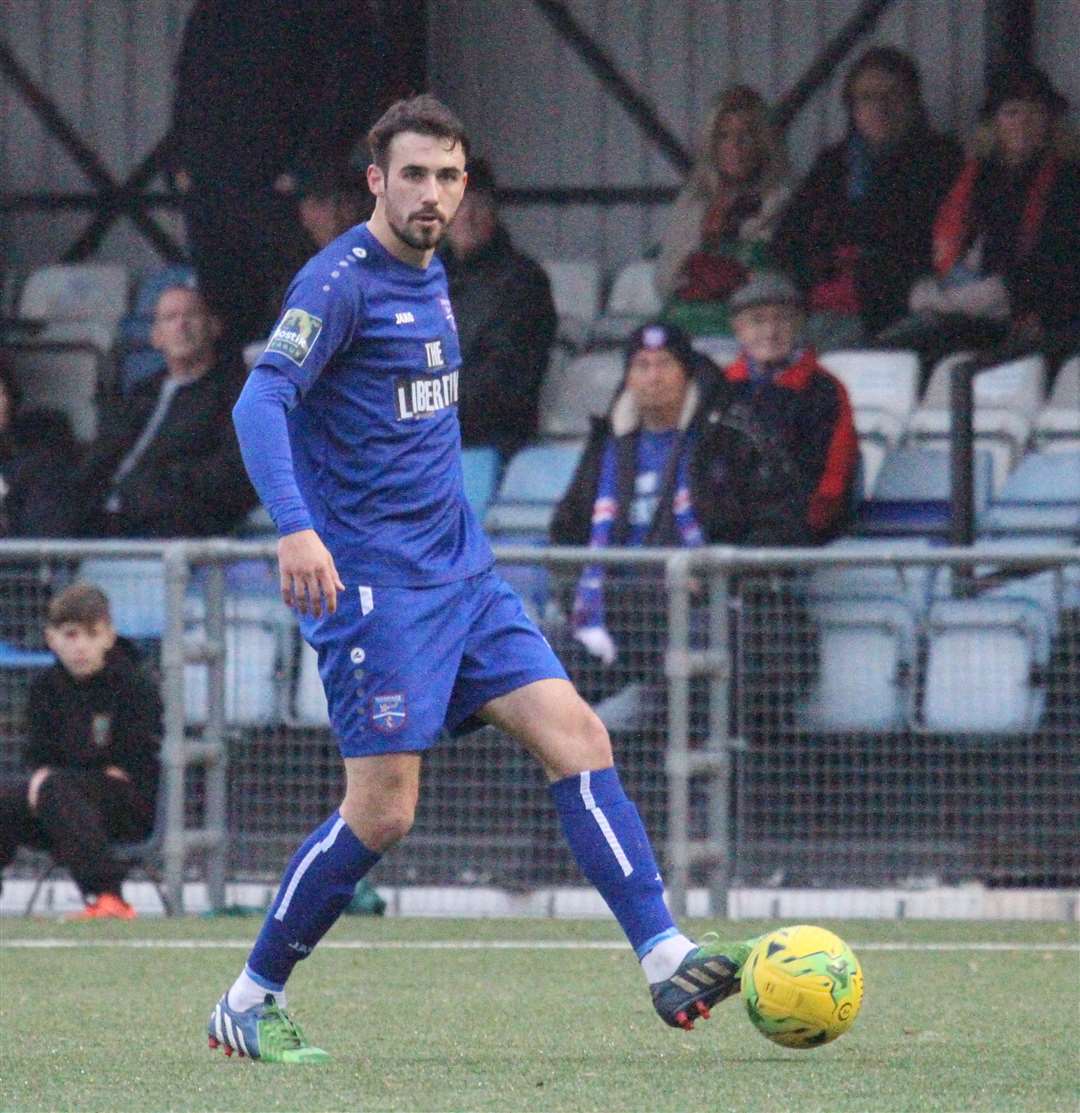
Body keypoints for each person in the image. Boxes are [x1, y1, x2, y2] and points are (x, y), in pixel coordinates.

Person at [217, 94, 758, 1063]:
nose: (433, 193)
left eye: (449, 176)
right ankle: (249, 997)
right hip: (377, 587)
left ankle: (664, 953)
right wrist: (297, 533)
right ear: (378, 181)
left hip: (462, 575)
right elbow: (262, 399)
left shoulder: (440, 278)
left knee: (578, 735)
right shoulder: (339, 279)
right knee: (384, 810)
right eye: (415, 174)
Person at [169, 0, 386, 355]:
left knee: (297, 322)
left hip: (286, 197)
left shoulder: (334, 10)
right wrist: (180, 165)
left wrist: (307, 169)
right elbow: (189, 85)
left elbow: (354, 81)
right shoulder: (212, 10)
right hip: (213, 193)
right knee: (223, 323)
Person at [878, 61, 1079, 381]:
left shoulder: (1068, 183)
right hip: (955, 306)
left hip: (1027, 319)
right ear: (995, 122)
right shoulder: (965, 178)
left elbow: (1061, 264)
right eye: (1012, 112)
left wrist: (1012, 297)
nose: (1023, 122)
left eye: (1035, 112)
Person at [773, 46, 962, 349]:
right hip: (824, 300)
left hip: (899, 306)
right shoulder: (833, 163)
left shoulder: (942, 161)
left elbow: (941, 243)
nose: (879, 108)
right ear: (852, 107)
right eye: (867, 98)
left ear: (913, 102)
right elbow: (787, 239)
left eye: (892, 96)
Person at [0, 584, 162, 920]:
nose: (81, 646)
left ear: (109, 636)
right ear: (51, 638)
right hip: (54, 801)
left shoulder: (134, 686)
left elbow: (131, 763)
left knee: (55, 788)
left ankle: (108, 896)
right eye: (70, 635)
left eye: (91, 634)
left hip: (125, 806)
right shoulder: (44, 689)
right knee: (11, 793)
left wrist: (57, 778)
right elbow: (37, 757)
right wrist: (50, 778)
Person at [73, 284, 255, 538]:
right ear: (156, 336)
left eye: (191, 316)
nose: (181, 325)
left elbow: (231, 470)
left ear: (214, 327)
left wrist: (158, 482)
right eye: (170, 318)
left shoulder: (235, 394)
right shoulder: (139, 394)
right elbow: (100, 458)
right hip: (106, 512)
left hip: (173, 517)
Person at [722, 271, 859, 543]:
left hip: (797, 530)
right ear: (738, 328)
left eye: (782, 319)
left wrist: (802, 526)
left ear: (799, 324)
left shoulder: (826, 389)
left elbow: (834, 477)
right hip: (729, 527)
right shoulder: (721, 389)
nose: (770, 332)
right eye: (757, 321)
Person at [439, 156, 556, 458]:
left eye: (477, 204)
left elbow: (503, 383)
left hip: (492, 445)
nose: (466, 216)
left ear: (495, 211)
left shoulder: (524, 282)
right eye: (456, 204)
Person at [655, 85, 791, 339]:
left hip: (756, 331)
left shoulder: (783, 201)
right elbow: (667, 277)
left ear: (764, 142)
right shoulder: (692, 203)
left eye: (746, 135)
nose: (734, 146)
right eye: (723, 136)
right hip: (686, 320)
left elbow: (775, 280)